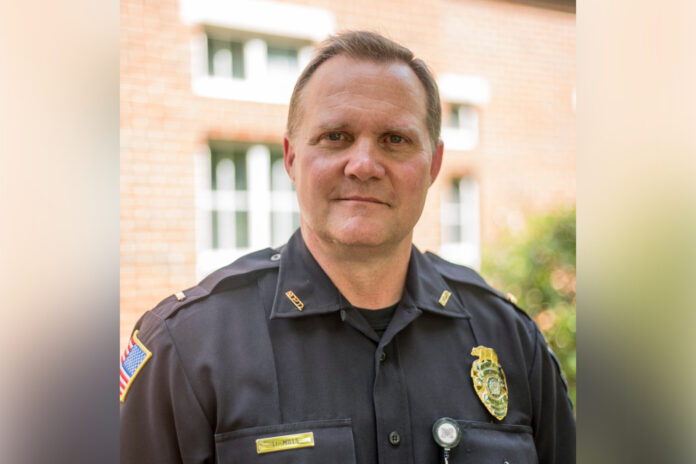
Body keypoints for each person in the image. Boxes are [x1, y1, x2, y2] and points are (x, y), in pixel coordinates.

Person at [120, 31, 575, 463]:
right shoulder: (185, 348)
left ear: (434, 164)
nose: (363, 165)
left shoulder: (511, 340)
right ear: (292, 157)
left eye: (395, 140)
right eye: (335, 137)